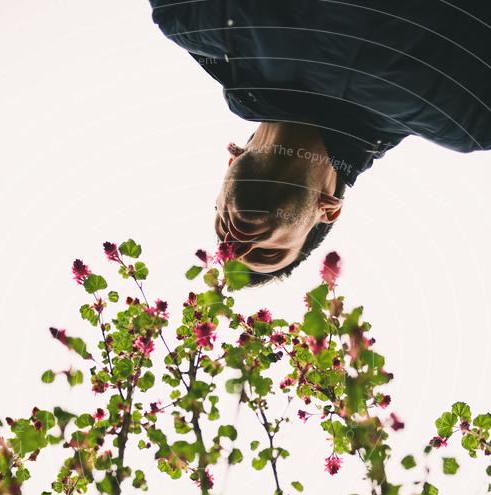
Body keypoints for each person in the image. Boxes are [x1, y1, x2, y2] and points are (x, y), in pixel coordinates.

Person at [148, 1, 491, 283]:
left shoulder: (189, 15)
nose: (234, 249)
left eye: (221, 230)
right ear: (329, 209)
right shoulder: (470, 114)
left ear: (231, 162)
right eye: (269, 253)